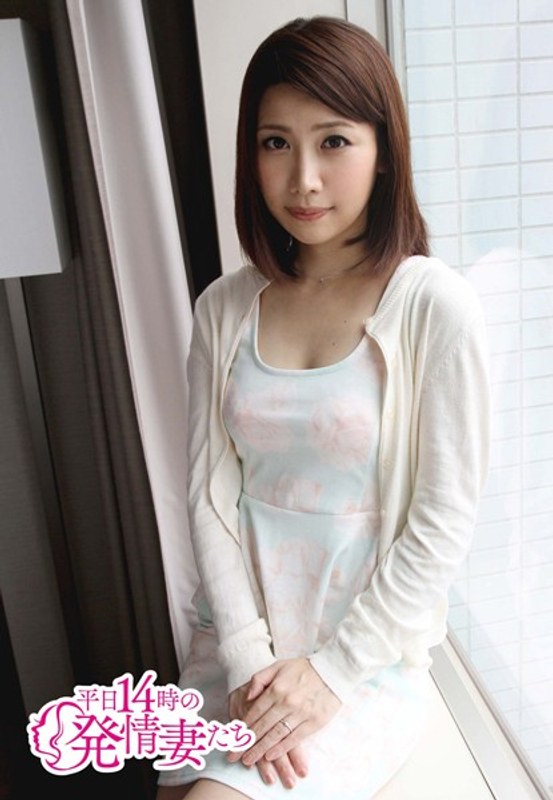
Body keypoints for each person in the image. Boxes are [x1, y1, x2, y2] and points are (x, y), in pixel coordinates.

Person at [156, 15, 490, 800]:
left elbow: (443, 520)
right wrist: (248, 661)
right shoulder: (223, 308)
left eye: (333, 141)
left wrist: (329, 674)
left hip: (360, 661)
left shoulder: (431, 305)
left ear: (384, 151)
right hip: (236, 645)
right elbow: (208, 496)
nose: (302, 179)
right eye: (275, 143)